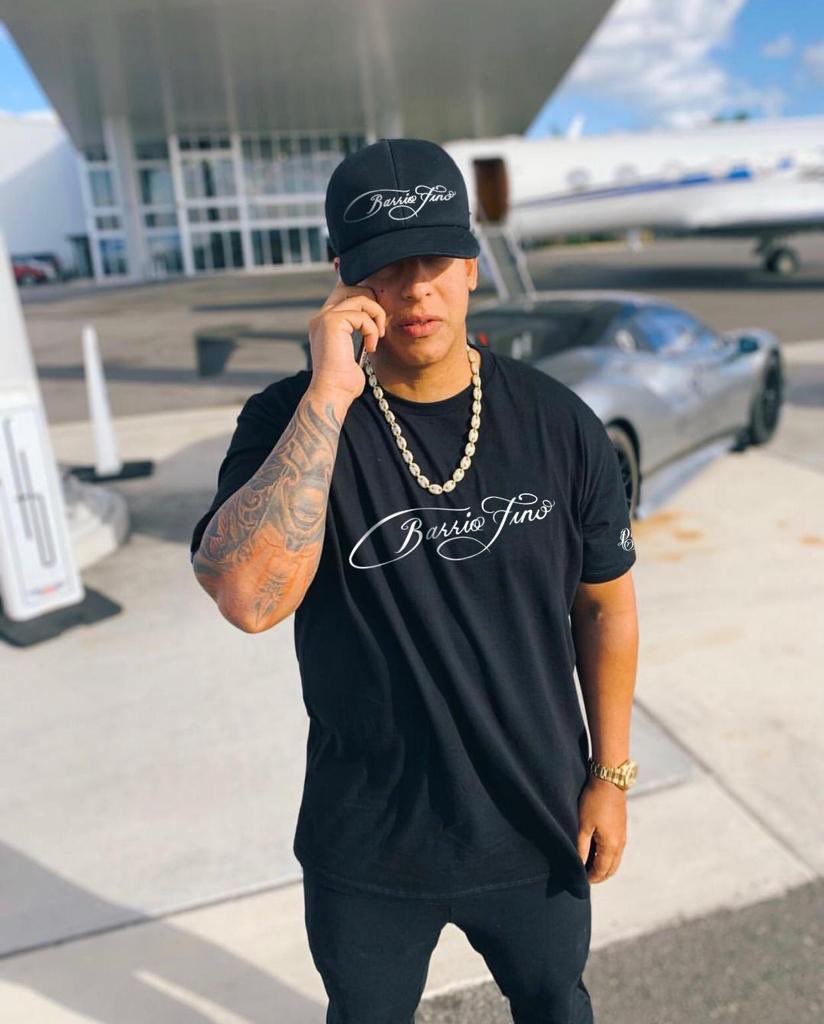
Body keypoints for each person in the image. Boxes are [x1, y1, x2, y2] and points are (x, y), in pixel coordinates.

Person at [190, 138, 640, 1024]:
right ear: (342, 279)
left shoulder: (559, 423)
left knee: (556, 1003)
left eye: (435, 258)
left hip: (534, 816)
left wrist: (610, 776)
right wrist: (329, 393)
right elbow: (247, 599)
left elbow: (605, 608)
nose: (415, 288)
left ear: (471, 265)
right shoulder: (286, 420)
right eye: (387, 266)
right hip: (368, 841)